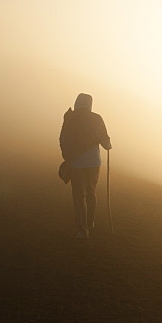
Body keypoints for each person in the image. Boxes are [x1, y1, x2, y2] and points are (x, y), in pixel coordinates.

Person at [59, 93, 111, 239]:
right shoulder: (97, 118)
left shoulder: (70, 118)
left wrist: (67, 157)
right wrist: (108, 145)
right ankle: (90, 222)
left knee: (78, 196)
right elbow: (105, 140)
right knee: (91, 192)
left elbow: (63, 139)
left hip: (76, 163)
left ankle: (82, 230)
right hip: (94, 162)